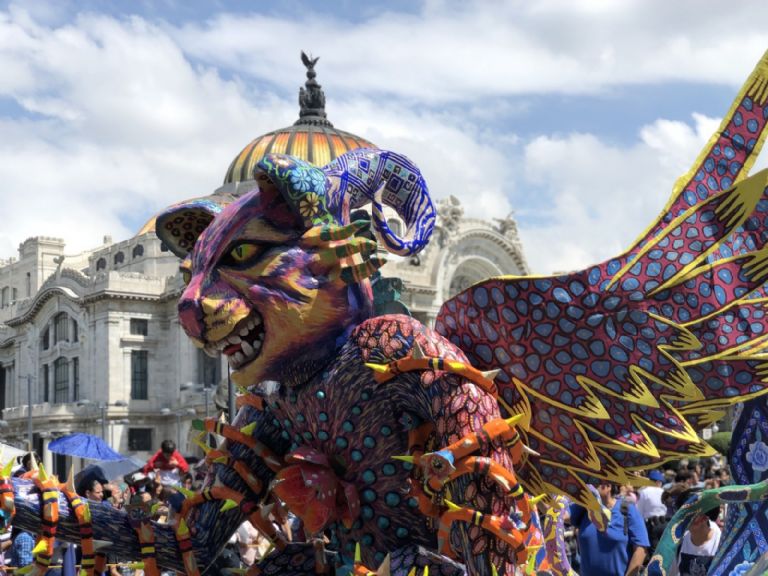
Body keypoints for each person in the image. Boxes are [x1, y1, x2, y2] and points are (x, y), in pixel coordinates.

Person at [570, 482, 649, 576]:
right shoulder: (584, 507)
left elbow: (641, 548)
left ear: (608, 486)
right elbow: (558, 514)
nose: (589, 487)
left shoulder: (627, 508)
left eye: (595, 483)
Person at [669, 505, 721, 576]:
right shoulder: (679, 544)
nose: (686, 518)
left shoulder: (721, 543)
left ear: (705, 517)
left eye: (692, 513)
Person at [637, 470, 668, 551]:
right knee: (664, 550)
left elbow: (639, 512)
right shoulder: (664, 492)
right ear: (658, 482)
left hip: (651, 524)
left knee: (653, 551)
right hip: (665, 524)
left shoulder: (643, 492)